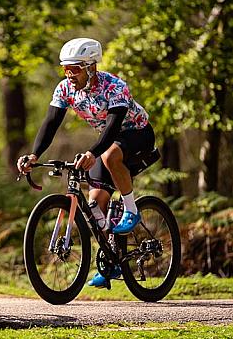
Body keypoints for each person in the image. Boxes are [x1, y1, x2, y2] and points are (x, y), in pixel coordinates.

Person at [16, 37, 155, 288]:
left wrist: (92, 153)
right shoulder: (65, 89)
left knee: (109, 156)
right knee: (95, 204)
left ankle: (132, 210)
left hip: (137, 134)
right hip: (109, 142)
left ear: (91, 67)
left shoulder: (114, 87)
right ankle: (112, 261)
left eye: (75, 69)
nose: (69, 74)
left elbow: (113, 127)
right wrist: (34, 155)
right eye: (65, 69)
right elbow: (50, 123)